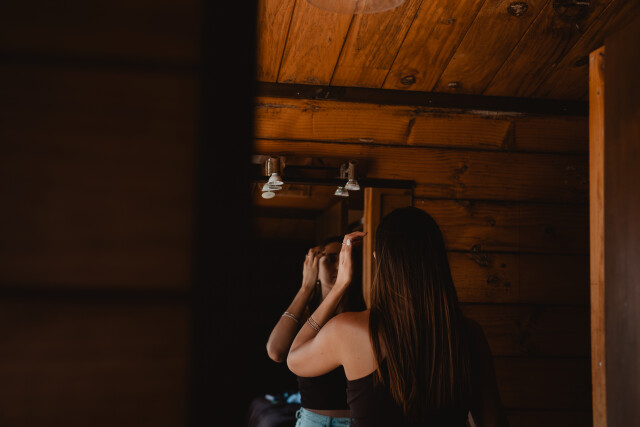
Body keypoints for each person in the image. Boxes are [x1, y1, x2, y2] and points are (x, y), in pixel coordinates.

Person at [287, 207, 508, 426]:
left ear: (379, 259)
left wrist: (339, 287)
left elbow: (294, 359)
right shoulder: (469, 333)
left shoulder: (351, 329)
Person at [266, 236, 366, 426]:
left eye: (345, 258)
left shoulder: (362, 309)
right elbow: (275, 351)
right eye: (331, 258)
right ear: (314, 267)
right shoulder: (305, 313)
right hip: (311, 421)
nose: (339, 265)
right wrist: (306, 286)